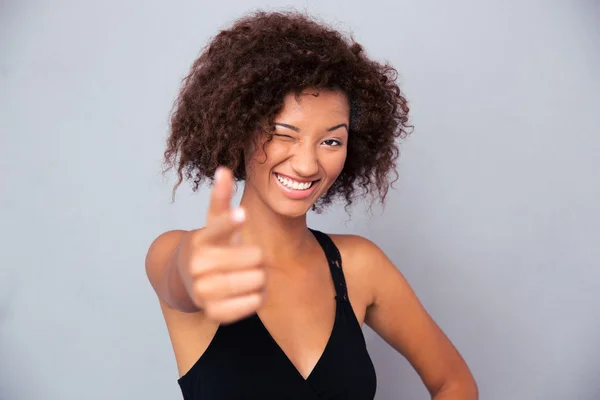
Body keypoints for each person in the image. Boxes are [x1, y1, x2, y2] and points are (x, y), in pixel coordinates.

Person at [145, 10, 478, 400]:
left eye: (331, 141)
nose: (307, 164)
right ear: (239, 130)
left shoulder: (360, 265)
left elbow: (454, 383)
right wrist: (193, 271)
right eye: (282, 135)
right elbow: (181, 278)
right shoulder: (175, 252)